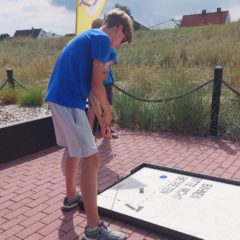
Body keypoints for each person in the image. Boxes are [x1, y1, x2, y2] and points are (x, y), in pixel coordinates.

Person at [45, 8, 133, 240]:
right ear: (119, 29)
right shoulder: (102, 38)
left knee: (75, 150)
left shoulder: (89, 36)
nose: (118, 46)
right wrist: (109, 110)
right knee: (92, 157)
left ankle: (71, 196)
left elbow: (91, 90)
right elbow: (97, 85)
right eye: (122, 41)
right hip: (67, 100)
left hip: (60, 98)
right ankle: (93, 229)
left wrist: (103, 116)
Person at [88, 18, 119, 138]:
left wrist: (107, 64)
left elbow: (115, 59)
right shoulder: (90, 43)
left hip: (108, 80)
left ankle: (107, 130)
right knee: (92, 108)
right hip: (94, 81)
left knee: (107, 106)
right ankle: (89, 134)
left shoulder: (109, 44)